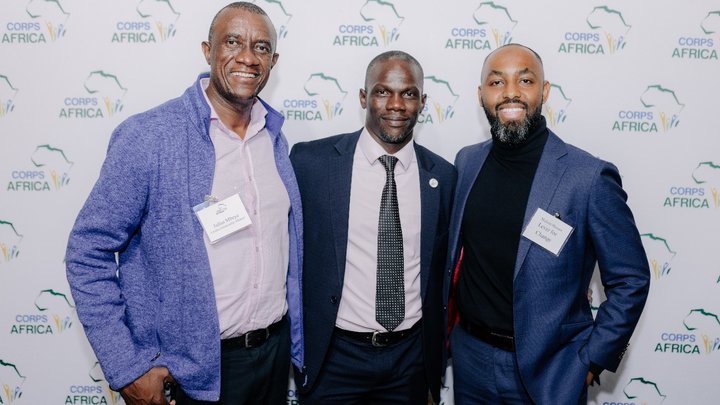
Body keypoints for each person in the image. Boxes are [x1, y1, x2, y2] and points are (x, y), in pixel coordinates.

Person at [65, 2, 303, 404]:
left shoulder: (274, 138)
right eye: (233, 42)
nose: (247, 57)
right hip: (190, 375)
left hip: (272, 359)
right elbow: (87, 253)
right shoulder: (149, 137)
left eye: (261, 48)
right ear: (207, 51)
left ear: (273, 61)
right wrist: (126, 366)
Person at [445, 43, 650, 404]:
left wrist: (591, 359)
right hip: (470, 359)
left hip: (550, 370)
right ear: (481, 95)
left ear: (545, 91)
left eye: (524, 80)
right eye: (496, 82)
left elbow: (631, 279)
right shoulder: (466, 163)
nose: (511, 92)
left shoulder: (587, 177)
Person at [290, 51, 456, 404]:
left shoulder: (442, 176)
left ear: (422, 102)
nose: (396, 104)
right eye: (383, 92)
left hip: (409, 360)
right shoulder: (311, 164)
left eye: (409, 94)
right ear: (364, 97)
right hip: (334, 357)